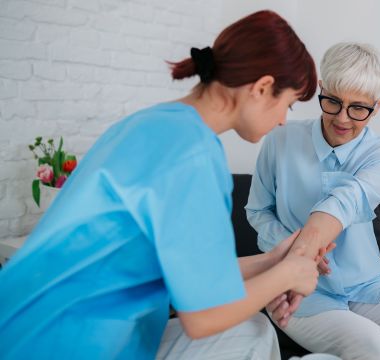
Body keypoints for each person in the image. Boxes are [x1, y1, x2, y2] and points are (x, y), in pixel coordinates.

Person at [0, 10, 321, 360]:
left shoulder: (150, 124)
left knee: (252, 332)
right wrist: (291, 272)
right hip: (66, 344)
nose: (281, 122)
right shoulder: (194, 156)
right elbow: (203, 315)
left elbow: (195, 275)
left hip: (23, 327)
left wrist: (272, 260)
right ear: (261, 88)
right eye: (287, 105)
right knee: (252, 334)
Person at [246, 42, 380, 359]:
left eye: (358, 108)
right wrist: (294, 254)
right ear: (322, 90)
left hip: (368, 281)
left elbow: (346, 201)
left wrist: (310, 243)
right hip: (300, 286)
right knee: (378, 351)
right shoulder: (281, 140)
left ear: (378, 105)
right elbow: (258, 211)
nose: (342, 118)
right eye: (333, 102)